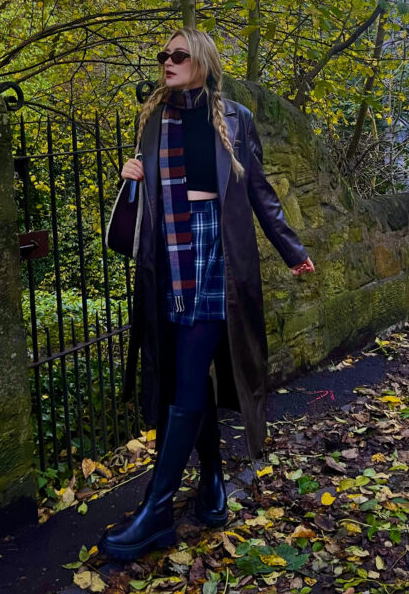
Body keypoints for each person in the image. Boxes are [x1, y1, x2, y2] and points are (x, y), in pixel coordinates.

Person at [98, 28, 314, 561]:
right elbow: (150, 197)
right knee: (181, 375)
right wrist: (131, 177)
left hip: (215, 257)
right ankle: (212, 484)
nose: (166, 63)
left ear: (202, 62)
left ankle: (156, 510)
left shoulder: (235, 118)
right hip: (165, 258)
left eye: (177, 55)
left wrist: (291, 249)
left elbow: (259, 190)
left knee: (191, 376)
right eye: (162, 56)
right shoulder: (153, 119)